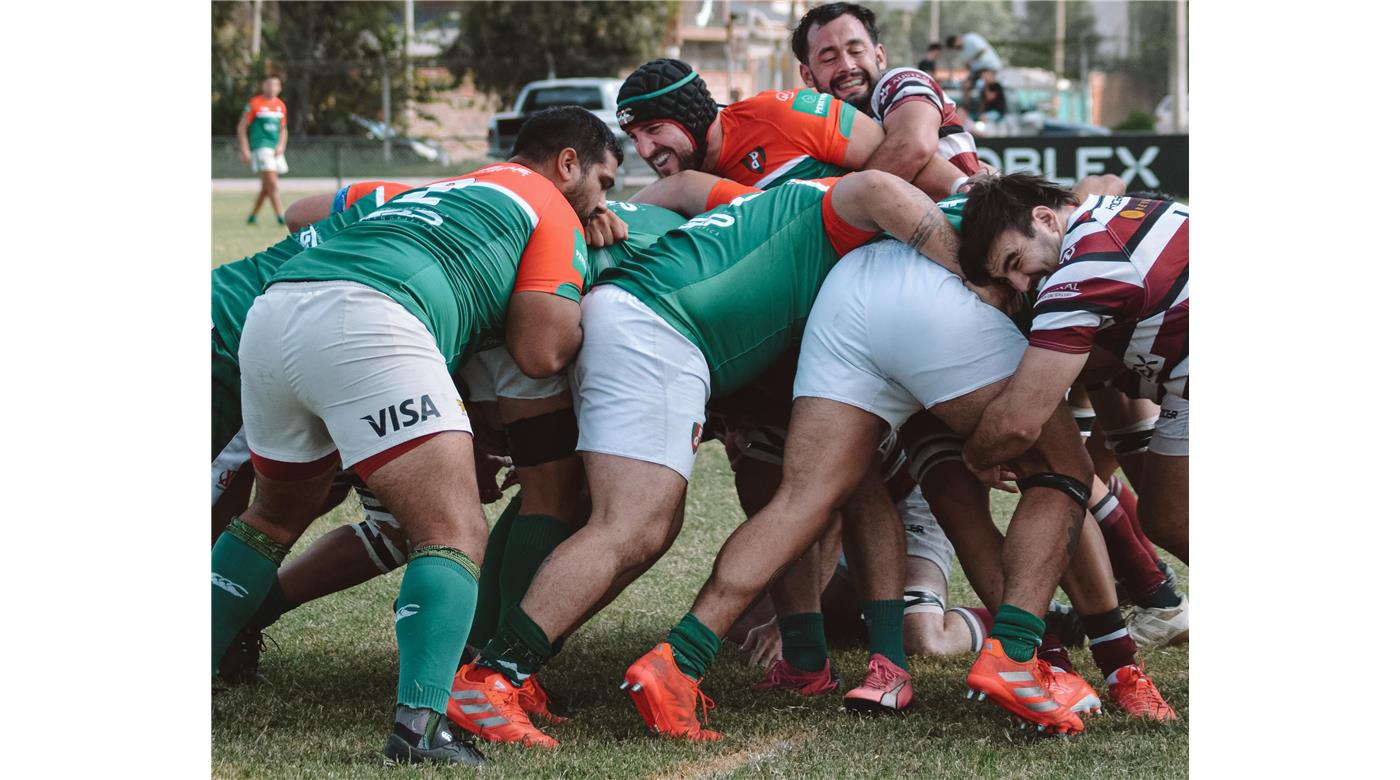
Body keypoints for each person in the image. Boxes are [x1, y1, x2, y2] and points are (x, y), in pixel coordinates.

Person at [446, 168, 973, 746]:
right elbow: (875, 184)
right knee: (629, 526)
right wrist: (968, 270)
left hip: (644, 320)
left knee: (650, 526)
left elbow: (688, 192)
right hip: (662, 329)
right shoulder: (866, 212)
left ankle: (506, 673)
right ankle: (493, 679)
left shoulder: (782, 207)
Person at [211, 106, 619, 766]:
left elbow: (306, 213)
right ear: (568, 164)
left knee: (270, 518)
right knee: (453, 530)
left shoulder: (441, 185)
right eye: (602, 183)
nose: (605, 203)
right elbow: (541, 349)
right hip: (372, 317)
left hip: (277, 308)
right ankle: (420, 726)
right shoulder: (549, 202)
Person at [956, 174, 1189, 566]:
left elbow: (1017, 422)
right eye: (1004, 279)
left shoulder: (1079, 274)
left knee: (1169, 517)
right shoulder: (1100, 211)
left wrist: (976, 457)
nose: (1020, 284)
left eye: (1015, 262)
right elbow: (1106, 181)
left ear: (1046, 219)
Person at [617, 57, 969, 201]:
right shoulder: (676, 186)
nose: (646, 150)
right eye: (635, 138)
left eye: (655, 129)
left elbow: (909, 156)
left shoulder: (780, 113)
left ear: (691, 116)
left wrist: (964, 187)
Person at [792, 3, 981, 183]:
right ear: (807, 75)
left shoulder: (901, 81)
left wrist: (842, 206)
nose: (847, 66)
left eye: (856, 51)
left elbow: (913, 145)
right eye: (829, 58)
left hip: (966, 212)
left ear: (880, 57)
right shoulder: (819, 119)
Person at [237, 76, 289, 226]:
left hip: (276, 149)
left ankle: (252, 216)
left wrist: (281, 145)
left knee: (267, 186)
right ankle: (281, 216)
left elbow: (284, 129)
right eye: (269, 84)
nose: (272, 88)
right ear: (263, 86)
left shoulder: (280, 105)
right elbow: (241, 127)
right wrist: (245, 149)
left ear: (279, 88)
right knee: (272, 183)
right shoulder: (255, 104)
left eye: (275, 85)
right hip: (261, 146)